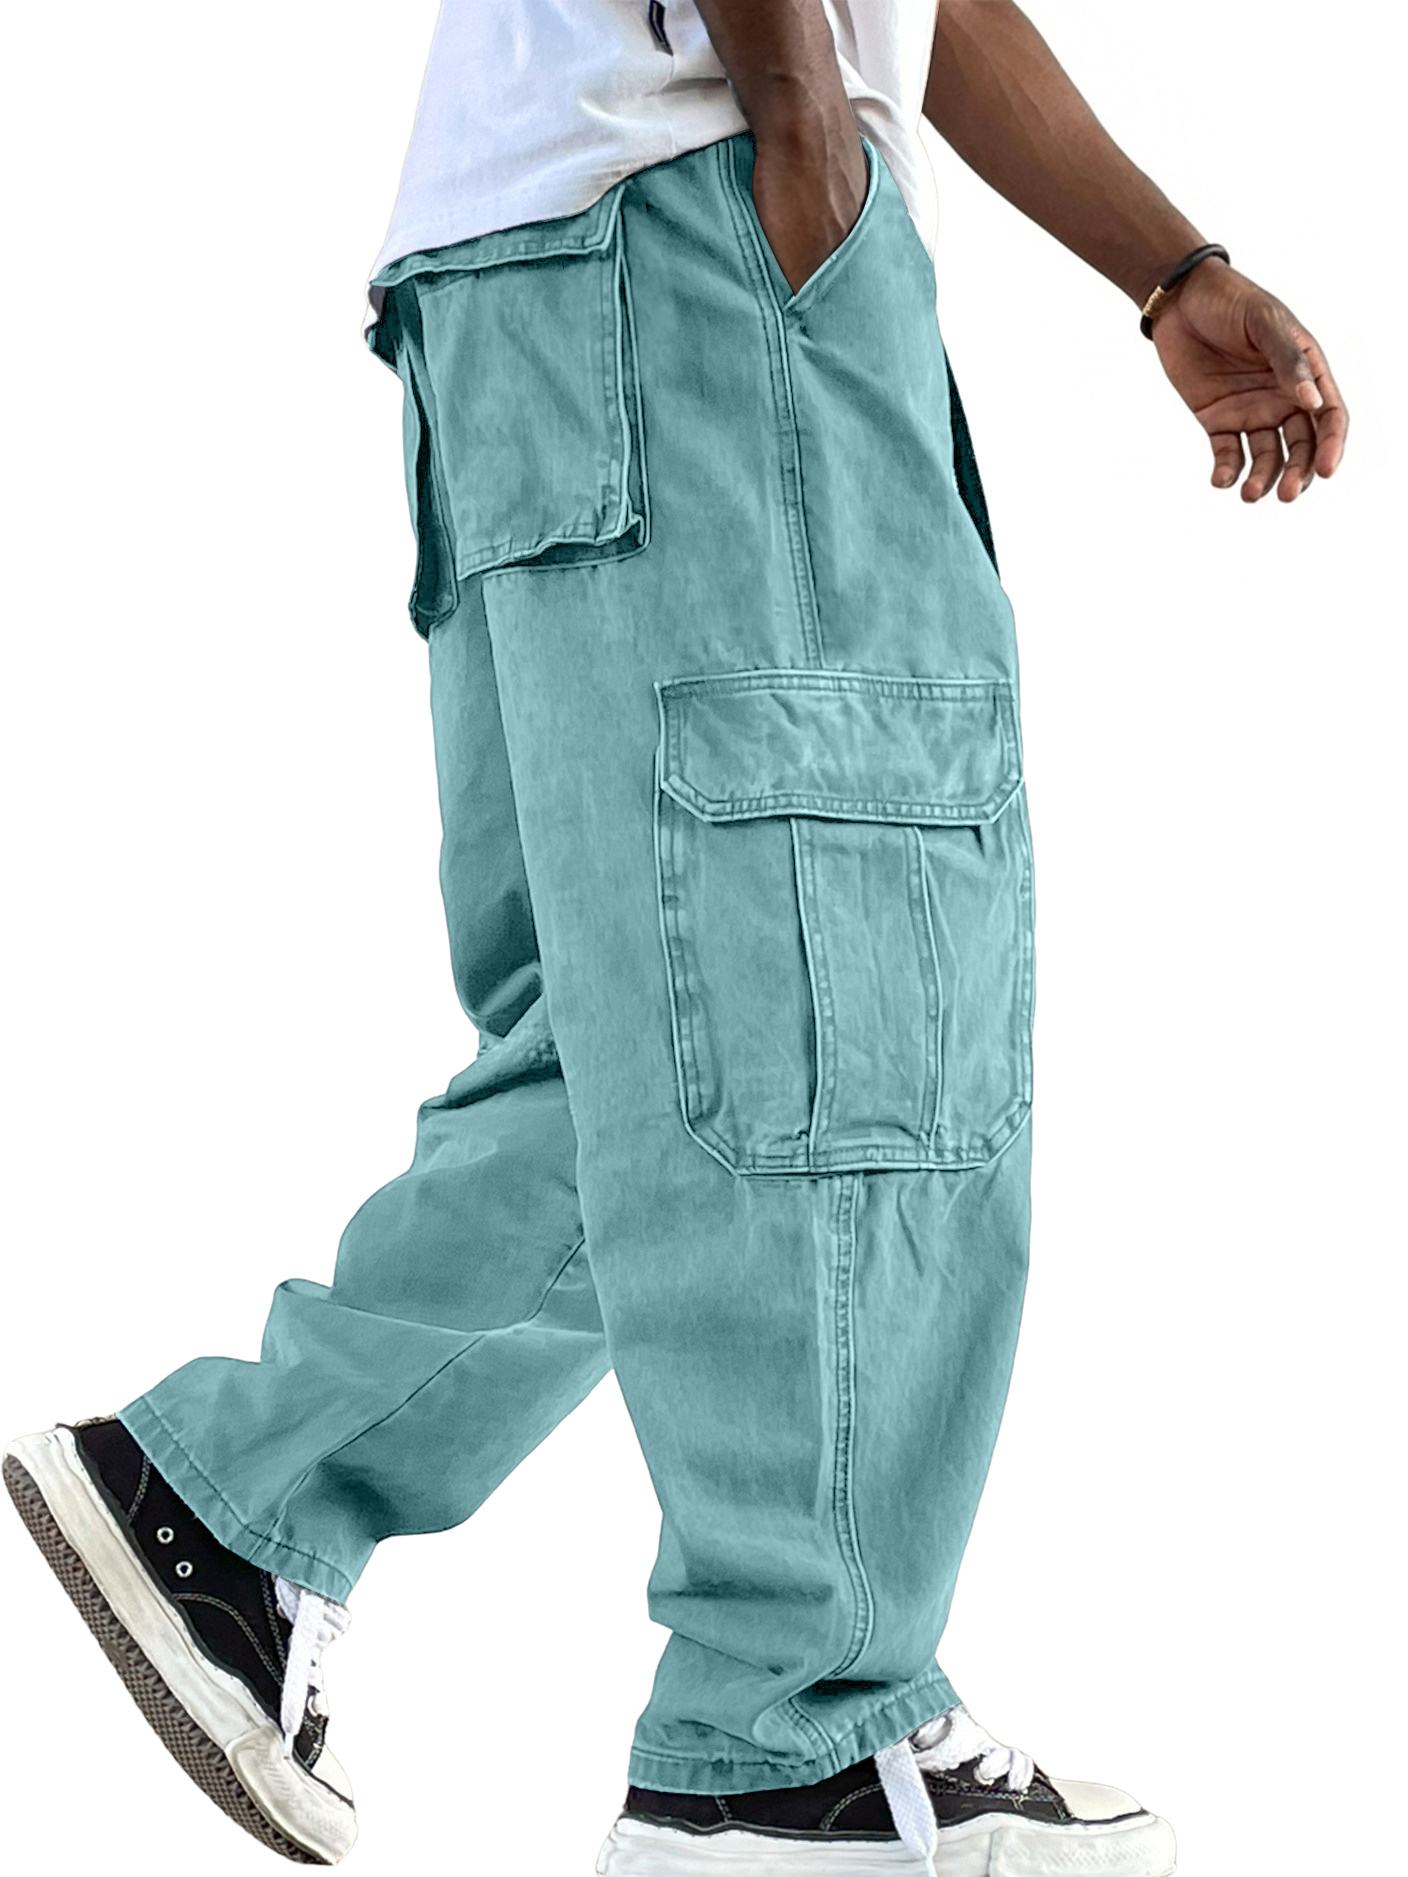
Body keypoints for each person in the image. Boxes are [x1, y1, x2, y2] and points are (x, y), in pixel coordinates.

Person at [5, 4, 1346, 1872]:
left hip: (560, 272)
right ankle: (793, 1742)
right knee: (838, 985)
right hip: (703, 229)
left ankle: (236, 1500)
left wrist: (1166, 266)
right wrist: (803, 138)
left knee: (655, 1021)